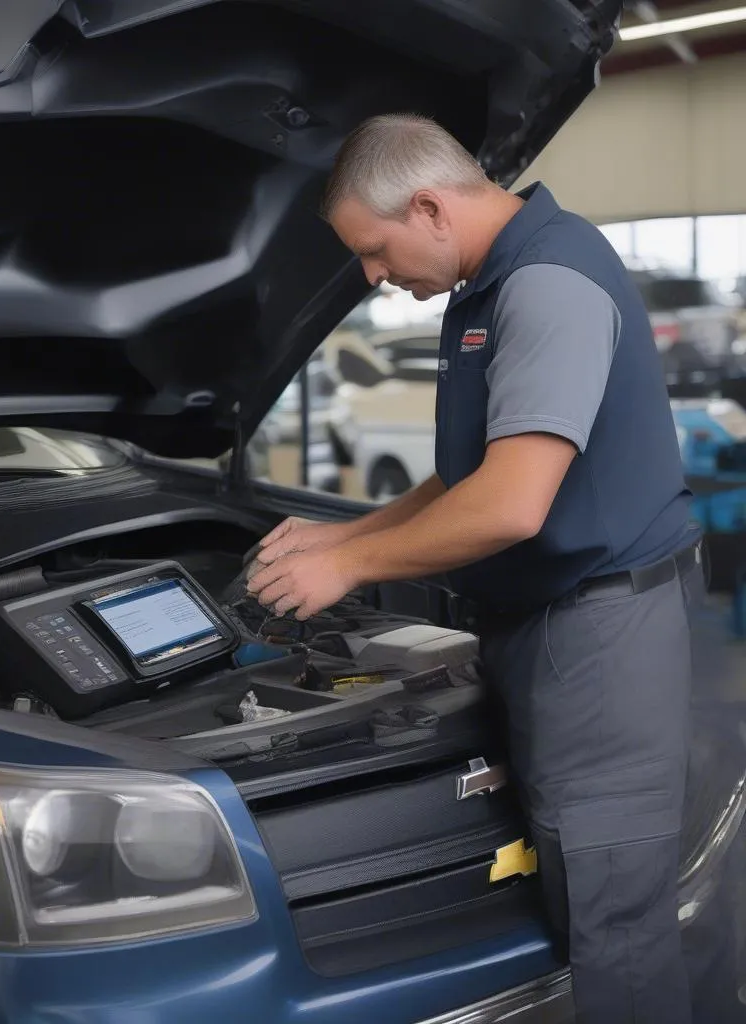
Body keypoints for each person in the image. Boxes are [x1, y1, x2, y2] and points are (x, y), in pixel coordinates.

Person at [246, 114, 704, 1023]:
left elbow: (509, 505)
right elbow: (470, 476)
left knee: (618, 928)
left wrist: (352, 567)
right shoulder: (487, 279)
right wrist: (341, 538)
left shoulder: (547, 285)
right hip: (549, 628)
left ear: (427, 207)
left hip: (601, 639)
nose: (373, 278)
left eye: (375, 252)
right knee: (577, 901)